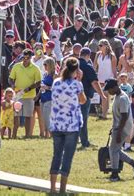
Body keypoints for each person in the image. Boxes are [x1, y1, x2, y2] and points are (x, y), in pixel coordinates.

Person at [49, 57, 86, 194]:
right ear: (76, 70)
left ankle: (52, 188)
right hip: (72, 125)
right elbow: (83, 101)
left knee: (56, 155)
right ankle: (63, 189)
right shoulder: (77, 84)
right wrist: (79, 80)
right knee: (67, 156)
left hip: (57, 123)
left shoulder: (56, 82)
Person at [103, 78, 134, 182]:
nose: (108, 92)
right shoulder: (118, 97)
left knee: (113, 150)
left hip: (123, 128)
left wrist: (119, 132)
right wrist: (114, 128)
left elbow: (124, 116)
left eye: (109, 89)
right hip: (119, 127)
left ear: (114, 87)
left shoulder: (122, 98)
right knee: (115, 150)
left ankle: (115, 174)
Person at [9, 49, 42, 138]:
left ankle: (27, 135)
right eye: (24, 57)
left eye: (27, 57)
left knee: (28, 116)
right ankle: (14, 135)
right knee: (16, 115)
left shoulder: (35, 68)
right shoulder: (16, 66)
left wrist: (30, 88)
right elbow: (11, 78)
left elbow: (39, 82)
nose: (25, 59)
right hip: (17, 95)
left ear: (31, 58)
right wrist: (12, 85)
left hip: (29, 96)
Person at [78, 47, 105, 148]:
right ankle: (84, 142)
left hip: (71, 96)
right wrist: (101, 94)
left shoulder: (72, 65)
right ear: (88, 56)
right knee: (83, 120)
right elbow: (94, 82)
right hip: (83, 97)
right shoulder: (87, 66)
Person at [94, 39, 117, 119]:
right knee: (103, 96)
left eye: (101, 45)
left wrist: (115, 78)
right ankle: (104, 112)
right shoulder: (98, 55)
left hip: (108, 78)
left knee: (105, 95)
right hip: (100, 77)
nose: (99, 47)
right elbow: (95, 67)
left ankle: (104, 114)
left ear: (106, 46)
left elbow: (114, 69)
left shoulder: (112, 56)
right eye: (99, 45)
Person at [40, 57, 56, 138]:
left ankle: (53, 135)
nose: (44, 66)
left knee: (47, 118)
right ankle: (47, 135)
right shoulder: (45, 74)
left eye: (45, 64)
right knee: (43, 118)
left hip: (50, 99)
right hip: (43, 98)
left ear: (50, 65)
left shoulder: (54, 75)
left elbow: (56, 88)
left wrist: (48, 88)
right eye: (44, 64)